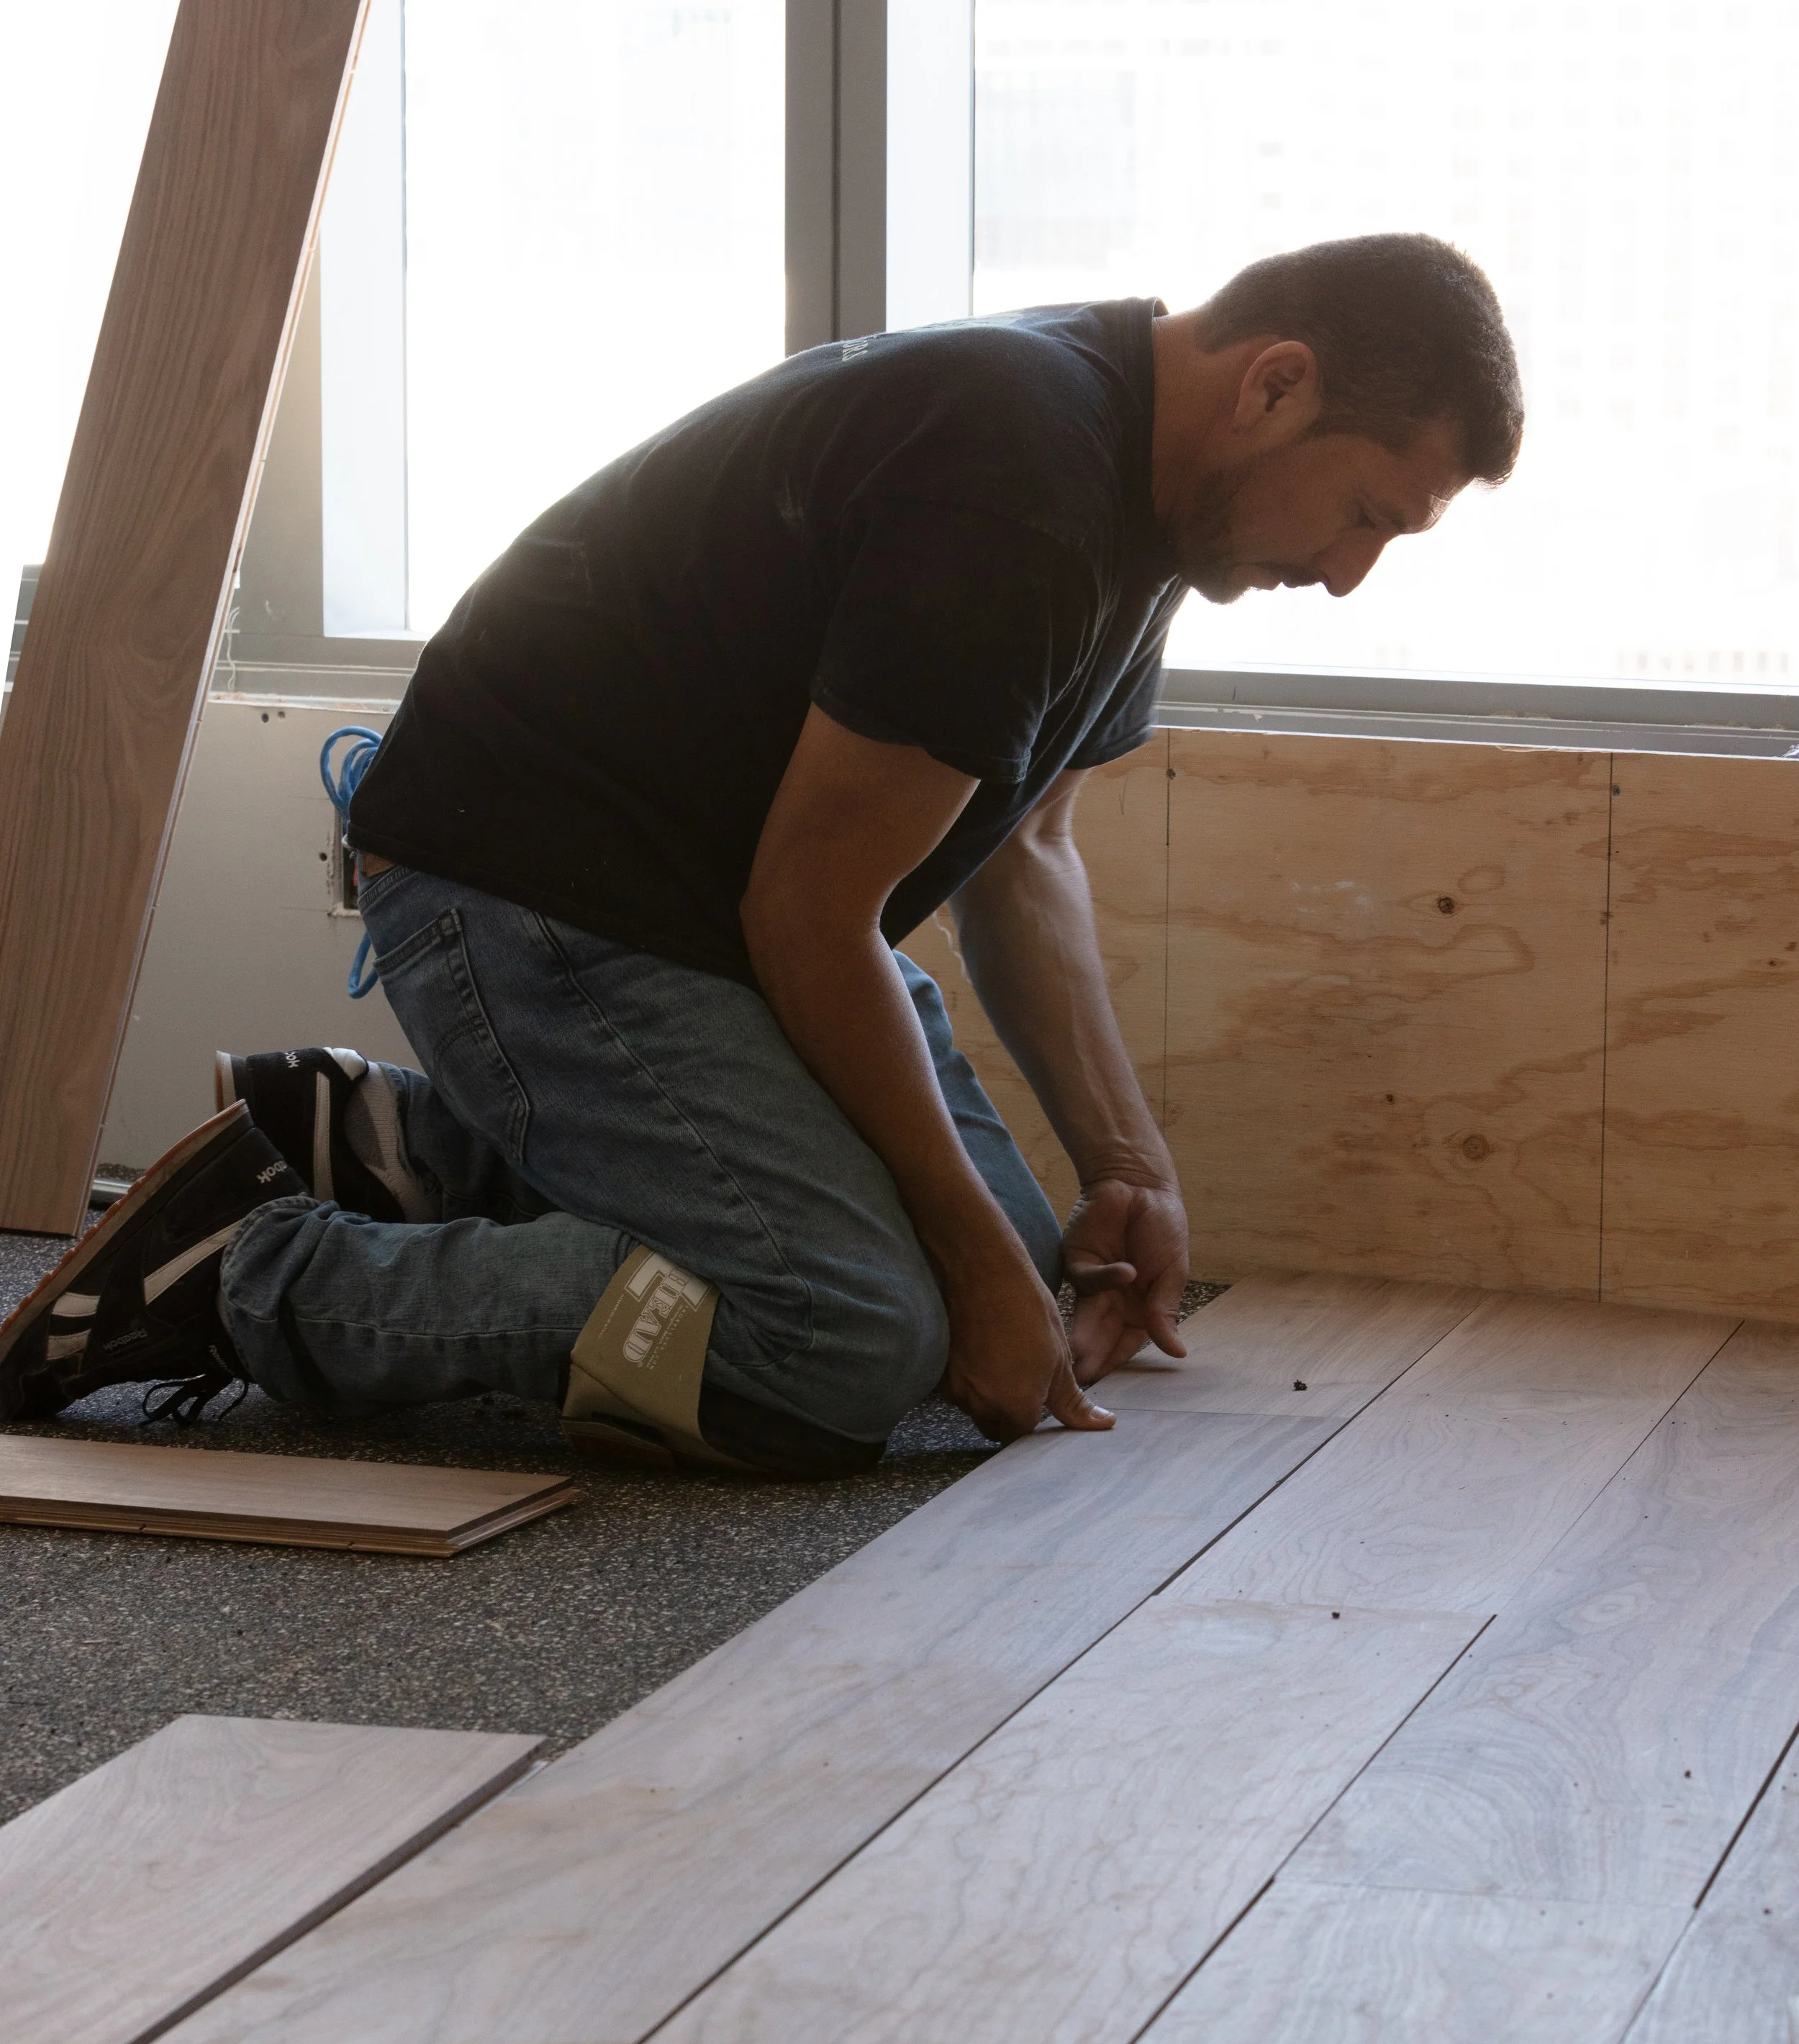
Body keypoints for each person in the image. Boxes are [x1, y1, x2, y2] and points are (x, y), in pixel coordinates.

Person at [0, 233, 1523, 1475]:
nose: (1342, 574)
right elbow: (811, 911)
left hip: (694, 928)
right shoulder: (1019, 478)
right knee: (845, 1341)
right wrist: (967, 1274)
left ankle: (407, 1149)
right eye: (1365, 514)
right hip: (530, 904)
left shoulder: (1145, 504)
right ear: (1273, 384)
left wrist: (1126, 1161)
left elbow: (1025, 849)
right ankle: (240, 1279)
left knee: (1001, 1284)